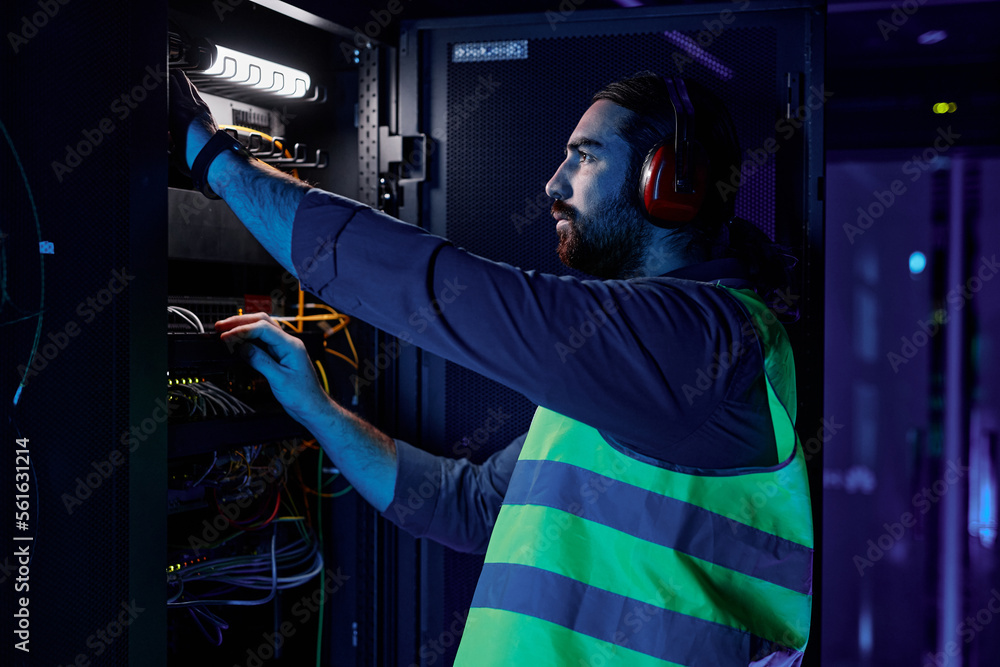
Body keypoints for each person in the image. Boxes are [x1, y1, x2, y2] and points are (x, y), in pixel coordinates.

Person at [169, 69, 813, 665]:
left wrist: (214, 161)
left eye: (585, 156)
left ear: (669, 184)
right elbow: (467, 506)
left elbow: (435, 288)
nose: (554, 185)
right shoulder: (646, 366)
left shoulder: (705, 340)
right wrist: (316, 409)